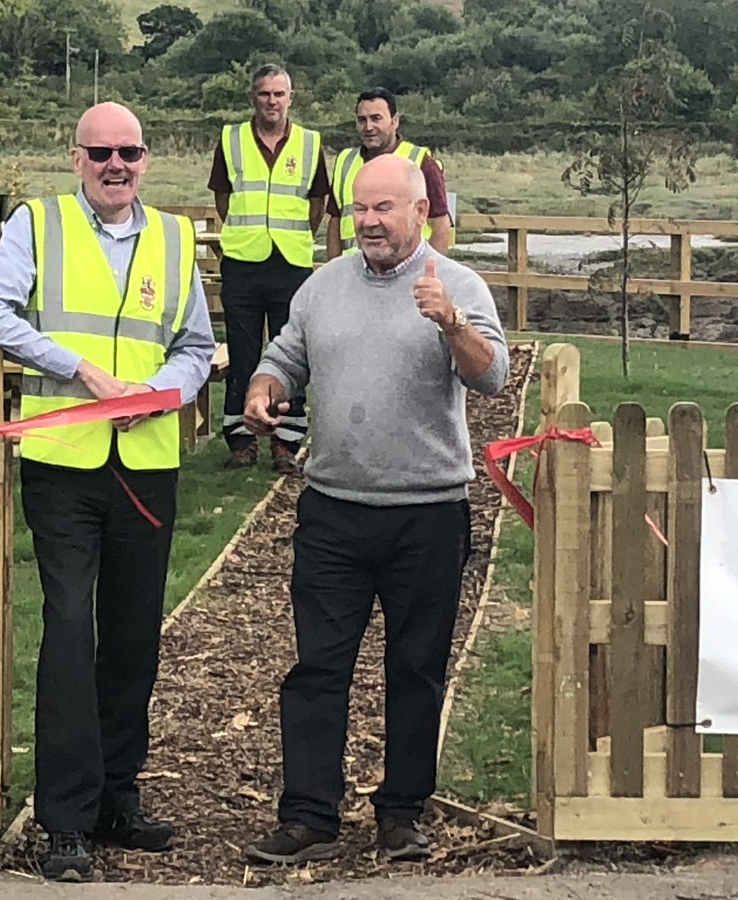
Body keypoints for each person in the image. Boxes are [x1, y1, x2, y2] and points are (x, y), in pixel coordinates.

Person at [0, 102, 216, 883]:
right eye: (101, 152)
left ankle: (116, 798)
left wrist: (159, 393)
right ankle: (65, 819)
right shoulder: (39, 225)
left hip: (146, 464)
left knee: (134, 633)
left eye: (129, 152)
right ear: (76, 158)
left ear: (146, 159)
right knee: (70, 628)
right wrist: (80, 371)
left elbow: (197, 346)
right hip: (65, 462)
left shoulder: (174, 237)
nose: (116, 166)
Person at [240, 154, 509, 864]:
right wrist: (264, 390)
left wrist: (451, 324)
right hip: (334, 509)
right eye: (360, 208)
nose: (368, 221)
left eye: (383, 208)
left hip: (428, 512)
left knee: (416, 668)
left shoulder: (458, 286)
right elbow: (285, 357)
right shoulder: (323, 287)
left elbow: (494, 377)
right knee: (318, 668)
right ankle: (309, 816)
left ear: (420, 212)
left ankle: (402, 813)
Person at [208, 63, 329, 474]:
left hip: (290, 263)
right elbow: (223, 198)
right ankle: (241, 441)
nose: (272, 101)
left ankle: (285, 442)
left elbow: (317, 204)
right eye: (264, 94)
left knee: (289, 353)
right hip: (243, 262)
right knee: (242, 354)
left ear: (291, 98)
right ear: (252, 98)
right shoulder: (231, 139)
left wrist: (293, 235)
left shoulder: (310, 143)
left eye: (279, 94)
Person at [326, 87, 452, 259]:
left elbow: (440, 225)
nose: (368, 127)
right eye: (362, 120)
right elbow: (335, 222)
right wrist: (334, 269)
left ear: (395, 121)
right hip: (355, 269)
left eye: (376, 119)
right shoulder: (345, 161)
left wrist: (429, 270)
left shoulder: (420, 161)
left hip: (406, 269)